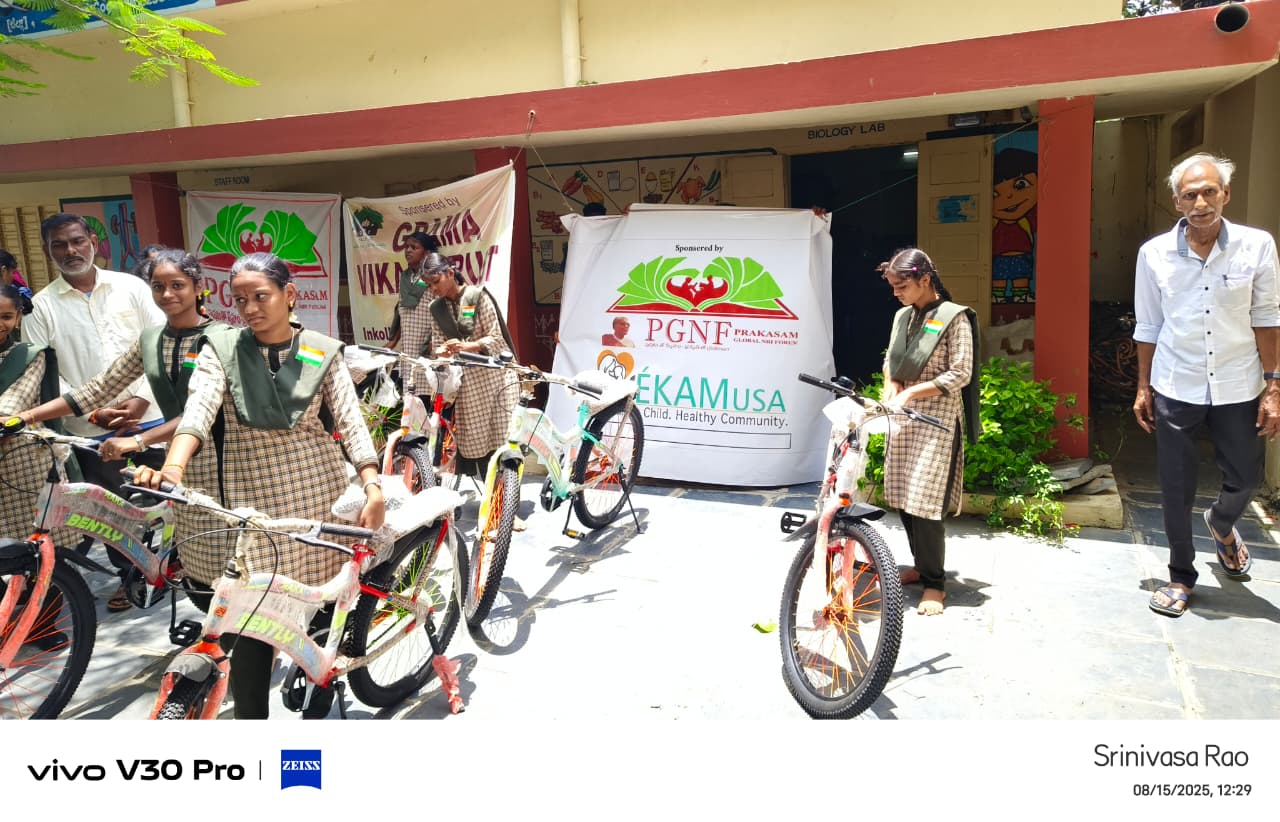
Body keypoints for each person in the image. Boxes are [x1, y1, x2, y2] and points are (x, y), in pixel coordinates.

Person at [133, 251, 383, 719]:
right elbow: (197, 412)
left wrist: (371, 483)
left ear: (289, 296)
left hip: (313, 497)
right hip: (247, 502)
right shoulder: (222, 351)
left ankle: (323, 670)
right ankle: (255, 724)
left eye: (260, 296)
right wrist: (173, 467)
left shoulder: (323, 350)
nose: (249, 309)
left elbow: (350, 422)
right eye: (240, 299)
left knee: (321, 599)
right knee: (247, 618)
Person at [18, 250, 228, 606]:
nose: (167, 295)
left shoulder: (223, 338)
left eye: (178, 285)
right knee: (200, 566)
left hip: (224, 459)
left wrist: (139, 439)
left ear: (198, 287)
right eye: (158, 287)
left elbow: (202, 408)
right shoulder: (151, 340)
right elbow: (97, 387)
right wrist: (27, 417)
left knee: (227, 563)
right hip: (181, 459)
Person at [1133, 152, 1280, 619]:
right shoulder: (1154, 254)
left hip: (1239, 383)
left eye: (1209, 191)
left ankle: (1221, 523)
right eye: (1190, 194)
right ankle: (1181, 575)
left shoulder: (1256, 246)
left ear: (1225, 194)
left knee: (1246, 477)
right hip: (1176, 383)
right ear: (1176, 202)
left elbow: (1267, 318)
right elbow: (1148, 324)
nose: (1200, 202)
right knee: (1175, 485)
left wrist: (1274, 385)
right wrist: (1142, 386)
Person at [23, 213, 166, 610]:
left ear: (93, 241)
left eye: (76, 241)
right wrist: (96, 412)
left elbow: (158, 344)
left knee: (168, 500)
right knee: (112, 512)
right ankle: (129, 576)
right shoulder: (40, 307)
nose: (70, 251)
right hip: (91, 431)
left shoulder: (131, 287)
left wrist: (138, 397)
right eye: (59, 245)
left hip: (150, 416)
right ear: (49, 251)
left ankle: (178, 566)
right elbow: (45, 370)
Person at [878, 248, 977, 616]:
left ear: (925, 280)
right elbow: (892, 359)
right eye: (892, 287)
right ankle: (920, 565)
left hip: (936, 421)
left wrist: (913, 392)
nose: (897, 293)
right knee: (904, 496)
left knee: (926, 501)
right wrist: (891, 387)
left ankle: (935, 584)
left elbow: (960, 373)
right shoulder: (903, 316)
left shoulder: (954, 318)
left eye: (902, 286)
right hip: (903, 419)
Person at [417, 252, 518, 482]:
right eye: (428, 285)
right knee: (477, 442)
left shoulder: (477, 296)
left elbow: (497, 338)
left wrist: (468, 346)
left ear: (450, 273)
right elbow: (438, 344)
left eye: (436, 282)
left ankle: (508, 499)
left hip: (498, 378)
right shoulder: (437, 309)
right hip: (470, 386)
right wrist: (442, 351)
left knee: (504, 440)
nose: (433, 289)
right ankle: (492, 501)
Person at [0, 284, 69, 546]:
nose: (0, 324)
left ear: (18, 317)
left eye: (6, 317)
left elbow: (14, 403)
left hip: (25, 464)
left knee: (40, 546)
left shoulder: (30, 355)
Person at [391, 231, 440, 393]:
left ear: (426, 253)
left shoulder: (433, 277)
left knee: (428, 394)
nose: (408, 251)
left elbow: (443, 309)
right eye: (406, 247)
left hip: (427, 342)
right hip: (408, 345)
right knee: (410, 395)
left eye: (414, 247)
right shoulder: (405, 277)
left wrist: (434, 341)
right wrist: (393, 340)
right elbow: (400, 309)